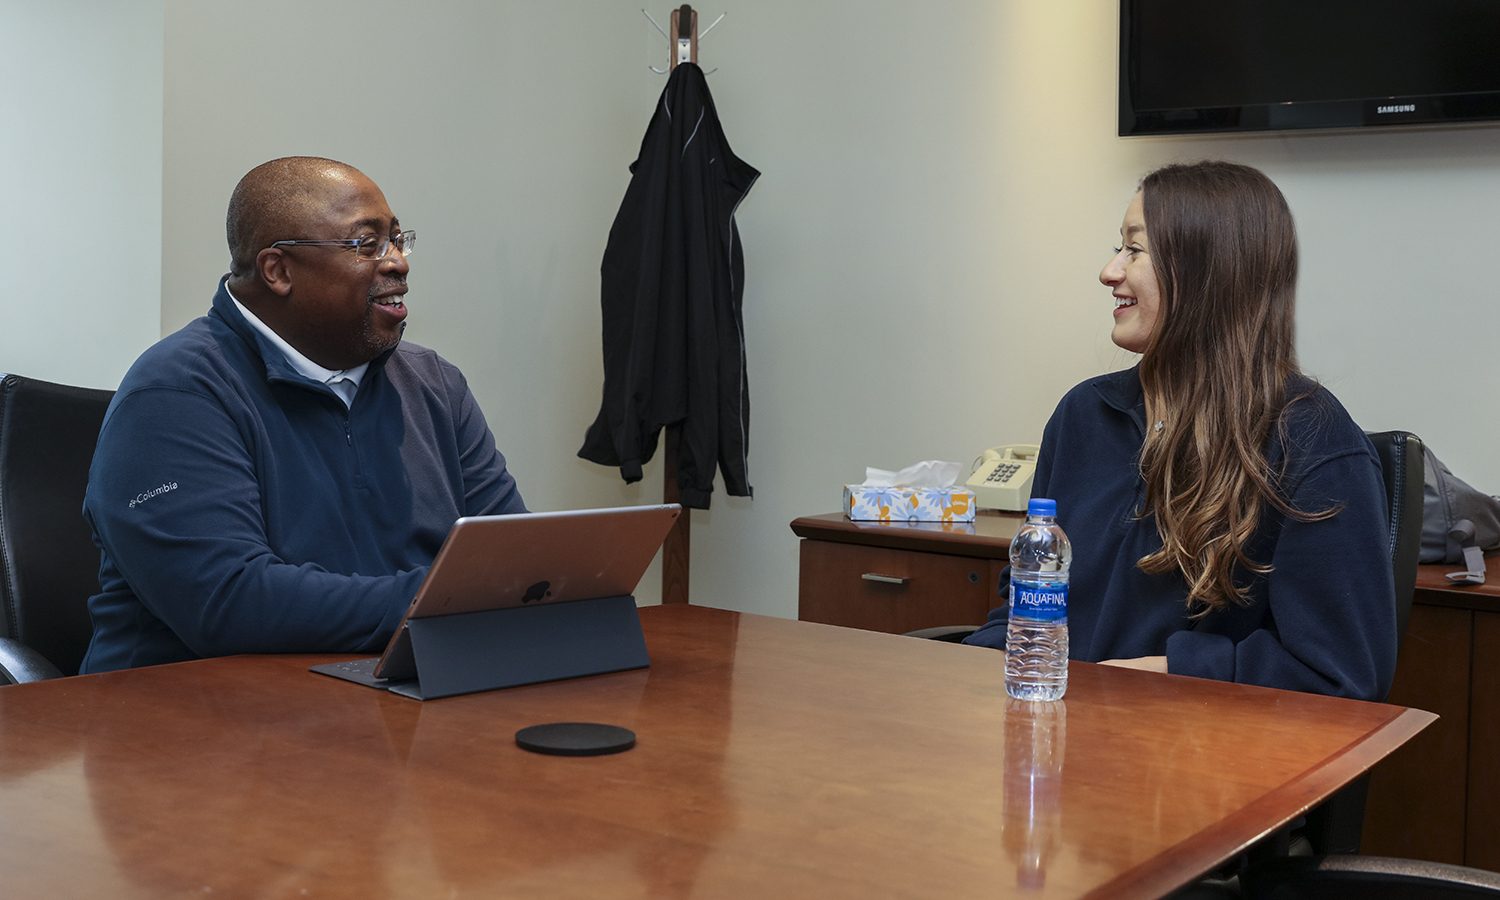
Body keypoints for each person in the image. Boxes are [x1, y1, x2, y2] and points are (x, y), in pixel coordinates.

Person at [964, 160, 1398, 702]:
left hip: (1189, 760)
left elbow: (1341, 676)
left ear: (1205, 271)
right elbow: (1028, 601)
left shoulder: (1311, 440)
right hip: (1053, 730)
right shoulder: (1082, 415)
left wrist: (1170, 671)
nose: (1109, 271)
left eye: (1134, 250)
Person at [80, 157, 527, 673]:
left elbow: (508, 555)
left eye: (398, 239)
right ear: (279, 271)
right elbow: (230, 603)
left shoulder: (434, 383)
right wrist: (451, 598)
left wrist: (506, 587)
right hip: (189, 723)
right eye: (367, 244)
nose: (398, 262)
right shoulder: (174, 393)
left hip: (390, 698)